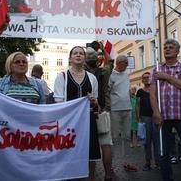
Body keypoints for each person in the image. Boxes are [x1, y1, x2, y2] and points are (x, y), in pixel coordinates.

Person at [150, 38, 181, 181]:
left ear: (177, 51)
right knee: (164, 153)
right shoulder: (157, 69)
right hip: (163, 116)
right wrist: (156, 112)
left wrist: (166, 77)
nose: (167, 49)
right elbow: (152, 94)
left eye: (171, 47)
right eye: (165, 47)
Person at [53, 46, 100, 181]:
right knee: (68, 151)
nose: (78, 55)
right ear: (70, 58)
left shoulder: (92, 78)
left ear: (84, 58)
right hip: (69, 121)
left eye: (81, 53)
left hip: (88, 119)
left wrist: (93, 101)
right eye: (75, 53)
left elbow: (96, 104)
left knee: (90, 153)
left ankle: (91, 178)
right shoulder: (62, 76)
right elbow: (58, 103)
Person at [85, 47, 113, 181]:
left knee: (90, 146)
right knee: (106, 144)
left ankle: (91, 176)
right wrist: (102, 48)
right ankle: (108, 175)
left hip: (87, 113)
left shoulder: (82, 73)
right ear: (97, 59)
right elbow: (110, 61)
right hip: (103, 111)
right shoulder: (105, 71)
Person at [109, 54, 137, 172]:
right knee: (114, 138)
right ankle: (110, 165)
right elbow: (107, 91)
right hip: (115, 109)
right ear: (119, 63)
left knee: (126, 137)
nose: (127, 65)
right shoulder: (110, 75)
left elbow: (127, 89)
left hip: (127, 108)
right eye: (125, 63)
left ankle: (127, 162)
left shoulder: (126, 75)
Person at [136, 72, 159, 171]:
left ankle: (158, 163)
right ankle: (148, 163)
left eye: (148, 77)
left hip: (155, 118)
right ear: (142, 80)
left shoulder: (156, 90)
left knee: (157, 141)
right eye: (144, 78)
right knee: (147, 142)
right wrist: (139, 118)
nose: (146, 79)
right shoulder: (140, 91)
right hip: (145, 118)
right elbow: (138, 105)